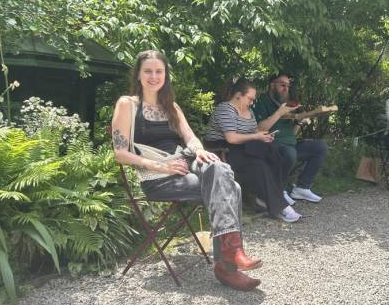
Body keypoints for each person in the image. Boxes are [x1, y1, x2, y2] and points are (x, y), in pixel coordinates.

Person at [112, 50, 261, 291]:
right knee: (231, 188)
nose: (154, 76)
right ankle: (229, 264)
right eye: (148, 71)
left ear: (165, 75)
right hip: (158, 176)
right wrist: (163, 165)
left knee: (217, 166)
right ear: (138, 75)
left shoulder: (171, 106)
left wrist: (199, 150)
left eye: (159, 71)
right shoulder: (127, 105)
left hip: (184, 162)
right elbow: (120, 153)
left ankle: (232, 257)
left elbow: (189, 137)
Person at [204, 77, 303, 223]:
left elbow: (253, 132)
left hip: (243, 148)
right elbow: (231, 138)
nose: (252, 102)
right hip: (223, 150)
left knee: (275, 153)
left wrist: (263, 136)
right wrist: (256, 136)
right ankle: (280, 207)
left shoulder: (248, 111)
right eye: (250, 99)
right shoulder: (225, 109)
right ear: (238, 95)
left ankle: (267, 198)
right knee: (260, 165)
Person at [253, 73, 328, 204]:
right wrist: (279, 113)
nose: (286, 89)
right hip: (270, 146)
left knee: (320, 147)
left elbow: (291, 134)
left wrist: (300, 121)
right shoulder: (261, 102)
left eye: (288, 86)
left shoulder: (287, 105)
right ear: (272, 85)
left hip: (290, 145)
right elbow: (260, 129)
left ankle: (302, 188)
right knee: (289, 153)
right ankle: (278, 191)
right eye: (282, 85)